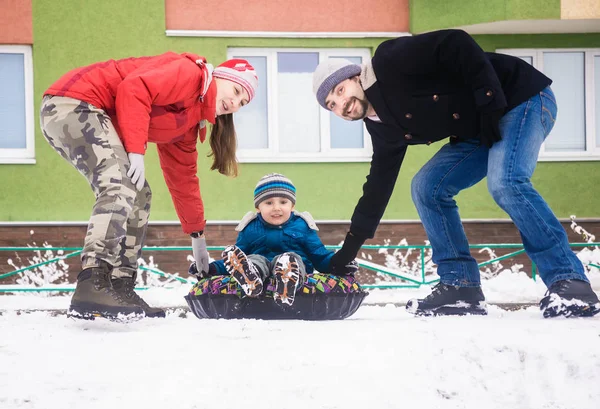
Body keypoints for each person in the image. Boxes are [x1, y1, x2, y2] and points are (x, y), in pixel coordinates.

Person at [312, 29, 600, 318]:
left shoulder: (389, 61)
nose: (342, 105)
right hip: (480, 126)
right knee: (426, 187)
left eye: (340, 91)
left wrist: (489, 102)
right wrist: (348, 251)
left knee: (505, 182)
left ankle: (569, 282)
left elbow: (456, 42)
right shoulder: (382, 126)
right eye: (332, 106)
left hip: (518, 98)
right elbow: (377, 188)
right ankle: (460, 285)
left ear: (355, 77)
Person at [40, 53, 258, 320]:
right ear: (220, 77)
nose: (235, 103)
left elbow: (183, 180)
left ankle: (119, 284)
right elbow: (135, 88)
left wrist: (198, 237)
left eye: (243, 103)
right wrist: (135, 150)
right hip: (74, 103)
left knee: (140, 195)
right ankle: (92, 280)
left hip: (86, 112)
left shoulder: (188, 123)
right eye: (236, 91)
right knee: (120, 183)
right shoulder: (190, 74)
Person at [189, 173, 358, 305]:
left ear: (292, 206)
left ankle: (287, 281)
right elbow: (238, 255)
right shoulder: (250, 228)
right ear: (258, 207)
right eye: (268, 203)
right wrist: (211, 269)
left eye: (283, 202)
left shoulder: (303, 227)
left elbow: (319, 255)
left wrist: (339, 263)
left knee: (290, 259)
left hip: (295, 266)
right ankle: (250, 278)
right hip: (262, 267)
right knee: (253, 259)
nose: (276, 208)